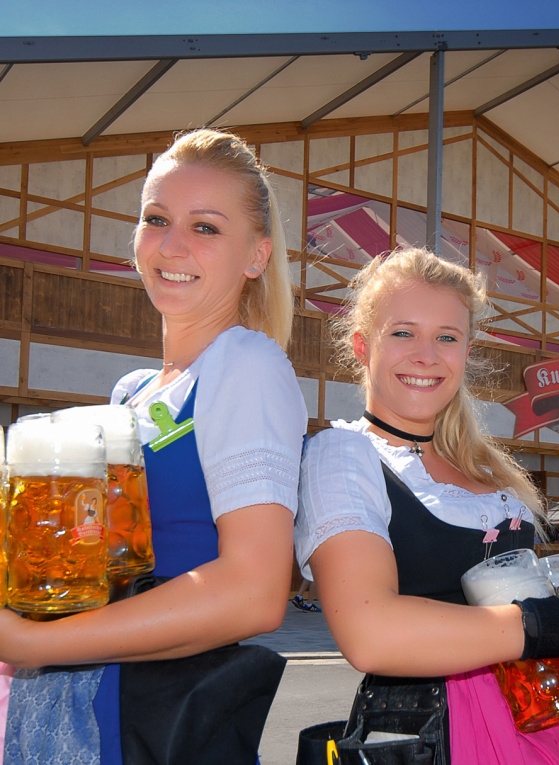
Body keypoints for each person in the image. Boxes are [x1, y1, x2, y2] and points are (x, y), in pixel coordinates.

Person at [0, 129, 307, 764]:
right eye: (156, 218)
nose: (171, 244)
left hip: (146, 721)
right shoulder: (131, 392)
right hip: (72, 703)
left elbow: (255, 591)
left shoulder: (245, 362)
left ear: (256, 255)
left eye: (206, 228)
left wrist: (34, 645)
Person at [295, 248, 559, 764]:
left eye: (447, 337)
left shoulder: (488, 468)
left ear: (464, 350)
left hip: (552, 718)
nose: (426, 354)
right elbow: (370, 634)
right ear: (361, 345)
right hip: (448, 731)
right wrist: (546, 624)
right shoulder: (344, 454)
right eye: (402, 333)